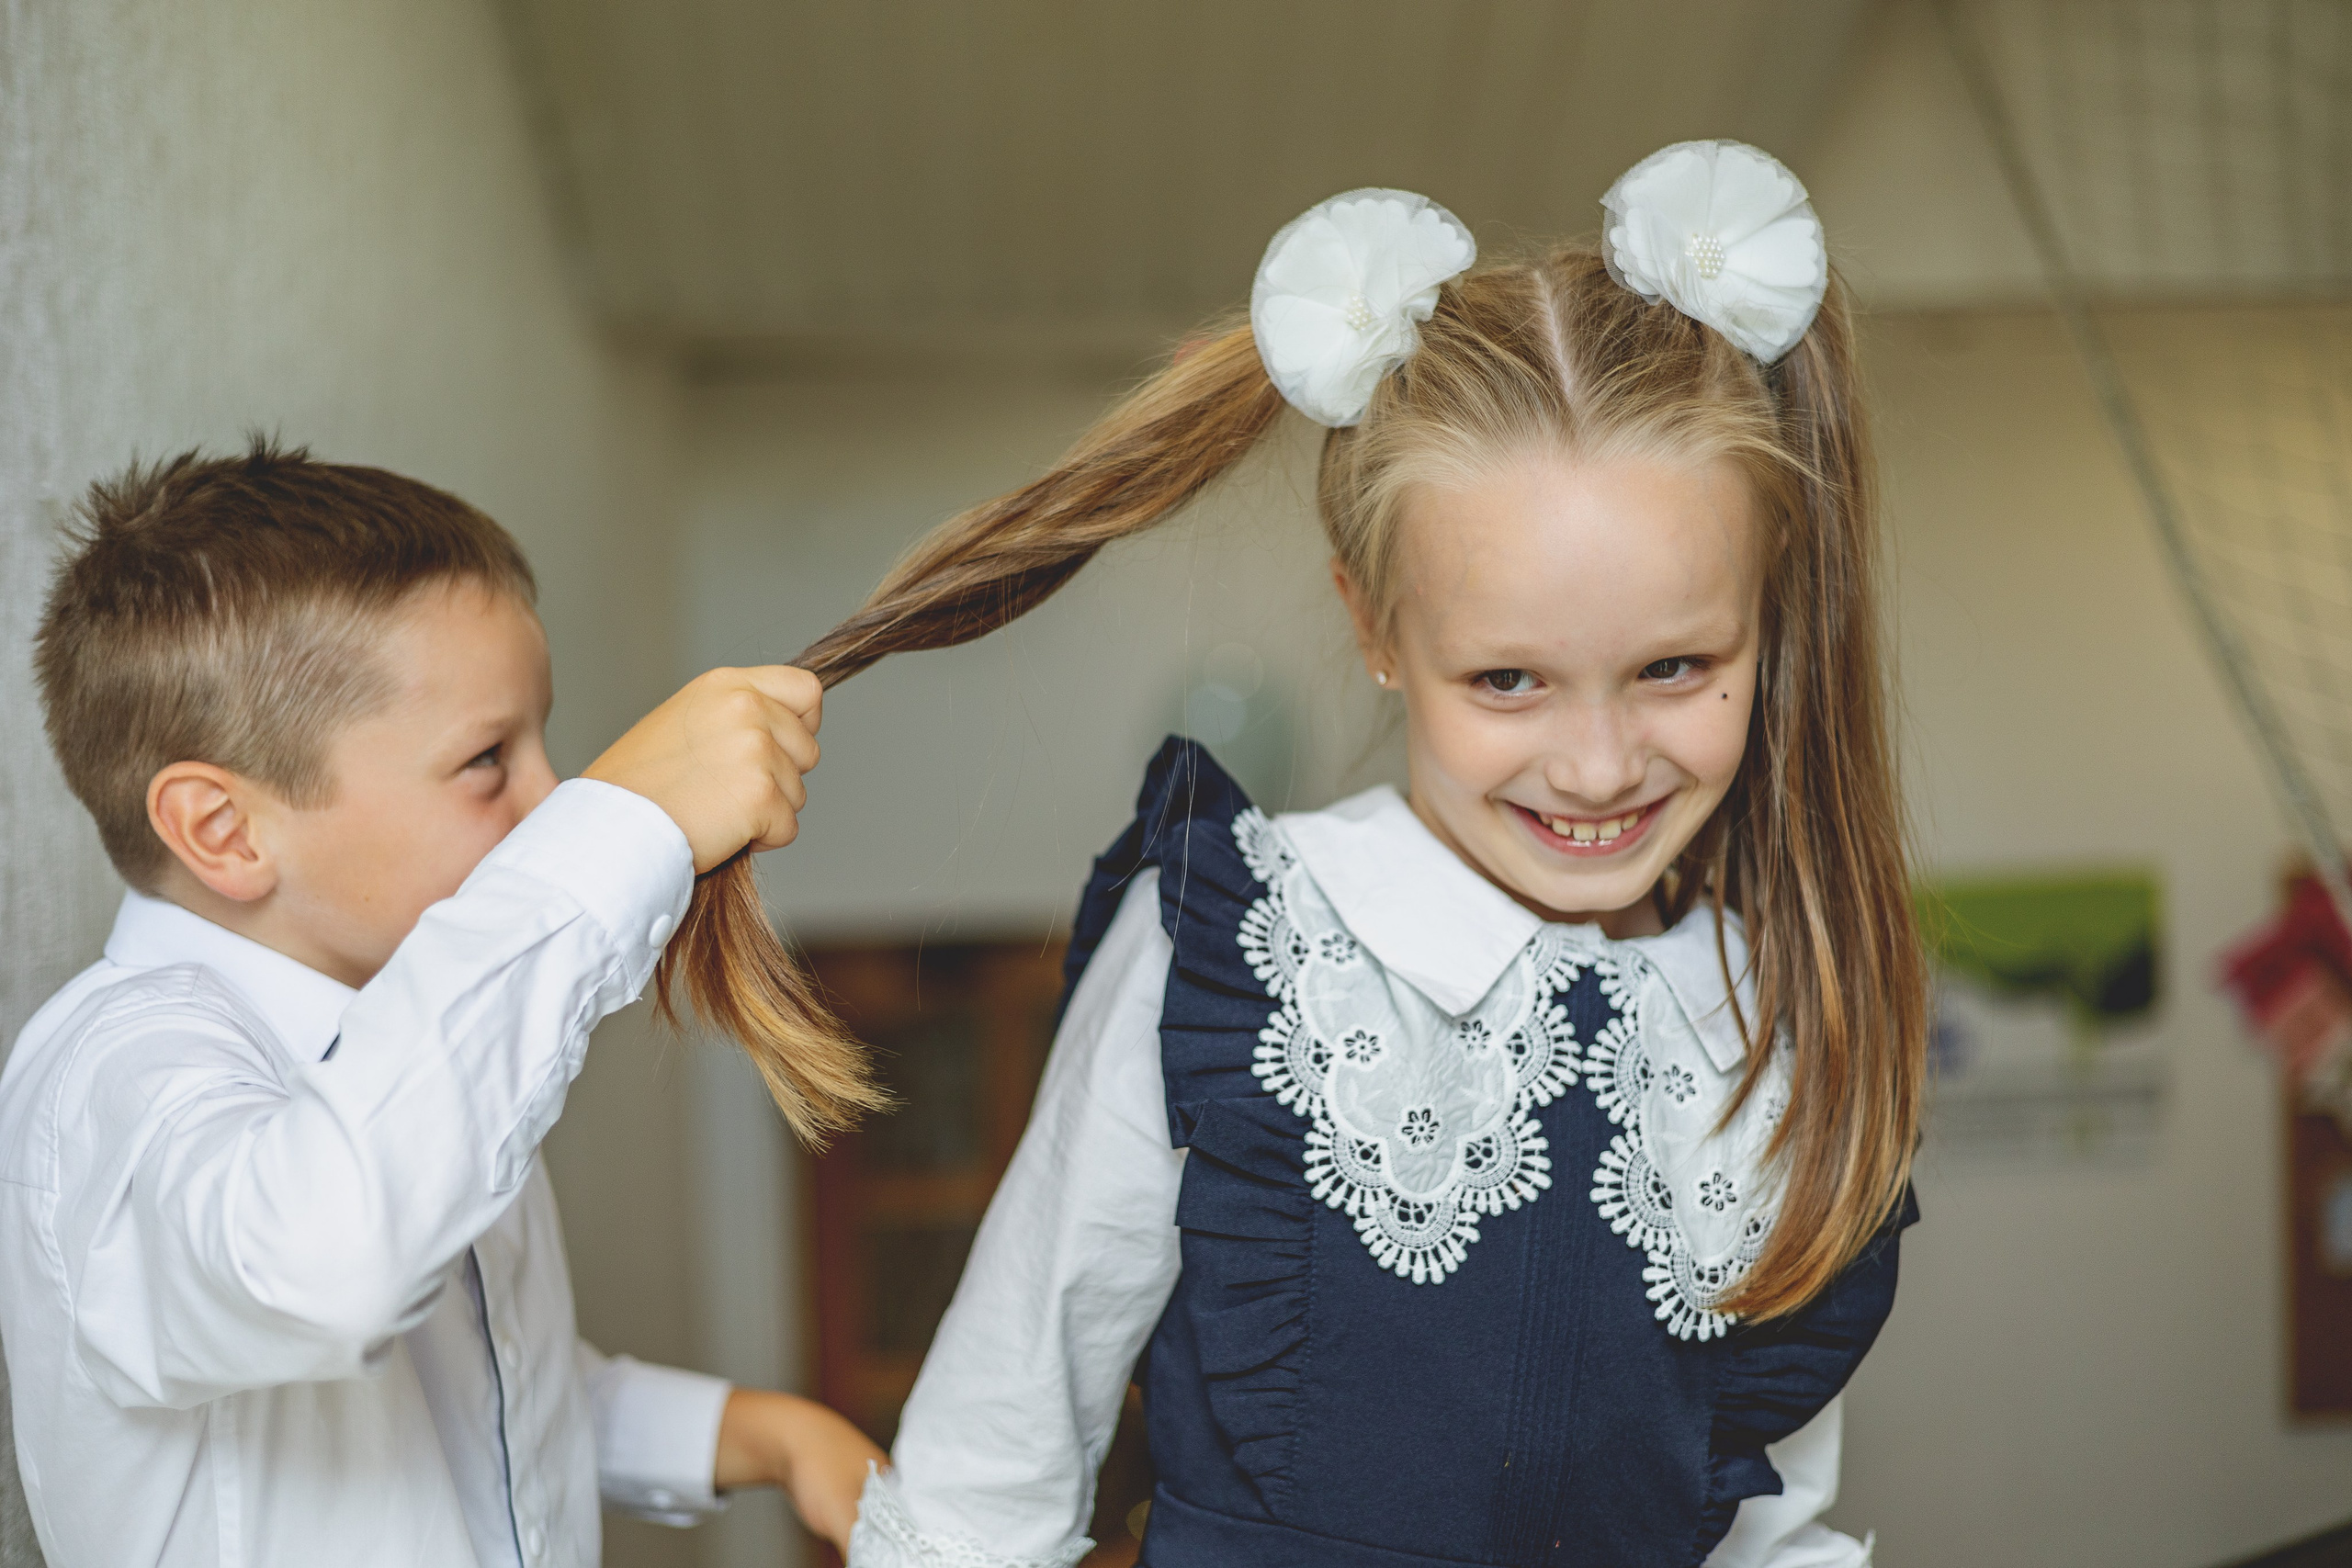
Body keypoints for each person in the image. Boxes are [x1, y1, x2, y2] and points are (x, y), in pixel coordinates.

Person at [754, 142, 1926, 1567]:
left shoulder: (1778, 1006)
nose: (1602, 763)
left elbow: (1770, 1524)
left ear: (1769, 616)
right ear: (1374, 627)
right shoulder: (1237, 953)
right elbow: (980, 1490)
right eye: (1508, 680)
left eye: (1676, 665)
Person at [0, 443, 886, 1567]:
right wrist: (612, 838)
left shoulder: (403, 1054)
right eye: (484, 759)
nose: (549, 798)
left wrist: (765, 1436)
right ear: (226, 832)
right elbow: (324, 1267)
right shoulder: (110, 1078)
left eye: (540, 742)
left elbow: (490, 1395)